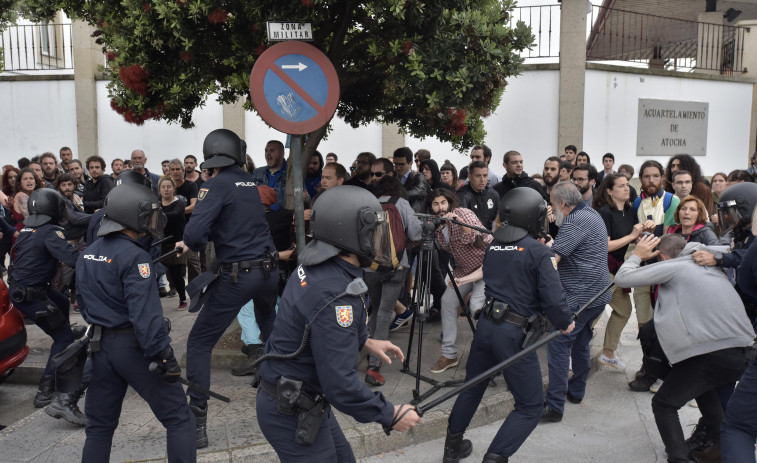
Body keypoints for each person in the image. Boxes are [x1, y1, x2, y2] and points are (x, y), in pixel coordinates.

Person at [256, 185, 421, 461]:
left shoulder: (318, 263)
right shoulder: (335, 293)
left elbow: (316, 324)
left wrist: (365, 340)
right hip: (291, 409)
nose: (378, 239)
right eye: (372, 231)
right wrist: (390, 414)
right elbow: (340, 385)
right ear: (350, 233)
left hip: (300, 399)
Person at [442, 187, 575, 463]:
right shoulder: (538, 252)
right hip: (513, 334)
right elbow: (553, 297)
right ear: (531, 216)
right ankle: (496, 457)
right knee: (529, 406)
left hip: (487, 327)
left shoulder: (494, 246)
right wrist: (565, 323)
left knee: (472, 386)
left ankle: (452, 447)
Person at [77, 183, 196, 462]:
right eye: (147, 214)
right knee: (179, 418)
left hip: (99, 347)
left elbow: (84, 304)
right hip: (133, 347)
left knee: (99, 428)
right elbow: (145, 315)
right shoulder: (136, 257)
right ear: (131, 215)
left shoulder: (88, 253)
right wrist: (164, 354)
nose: (151, 220)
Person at [176, 129, 278, 449]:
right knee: (271, 331)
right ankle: (284, 392)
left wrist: (187, 242)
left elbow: (194, 233)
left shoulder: (215, 185)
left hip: (240, 274)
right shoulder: (251, 183)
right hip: (269, 271)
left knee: (198, 343)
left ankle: (196, 422)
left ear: (212, 157)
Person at [614, 234, 754, 463]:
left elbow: (622, 278)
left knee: (663, 404)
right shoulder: (708, 263)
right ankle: (722, 447)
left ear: (662, 256)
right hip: (744, 351)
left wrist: (637, 255)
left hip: (713, 352)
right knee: (703, 388)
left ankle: (678, 459)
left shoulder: (675, 266)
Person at [541, 181, 612, 423]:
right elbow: (572, 248)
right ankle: (577, 391)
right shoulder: (591, 213)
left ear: (562, 203)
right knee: (581, 343)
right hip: (598, 296)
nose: (552, 208)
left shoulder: (574, 221)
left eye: (552, 204)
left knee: (559, 346)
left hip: (579, 299)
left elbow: (554, 259)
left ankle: (554, 406)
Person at [8, 189, 82, 414]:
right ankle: (46, 389)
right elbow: (71, 258)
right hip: (32, 296)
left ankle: (63, 324)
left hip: (26, 289)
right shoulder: (50, 232)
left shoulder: (30, 229)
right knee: (63, 338)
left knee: (60, 301)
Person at [364, 176, 422, 385]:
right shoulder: (401, 203)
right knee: (385, 312)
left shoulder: (367, 203)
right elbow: (416, 231)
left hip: (370, 267)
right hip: (397, 265)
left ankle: (370, 353)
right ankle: (373, 366)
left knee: (375, 310)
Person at [428, 188, 493, 373]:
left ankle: (485, 354)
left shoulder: (462, 213)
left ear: (449, 202)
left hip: (486, 267)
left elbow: (475, 238)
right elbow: (451, 250)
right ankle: (449, 355)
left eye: (443, 203)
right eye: (435, 204)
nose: (440, 207)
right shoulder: (439, 226)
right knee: (447, 301)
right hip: (464, 270)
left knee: (476, 307)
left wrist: (459, 222)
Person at [593, 173, 647, 372]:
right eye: (622, 186)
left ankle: (608, 353)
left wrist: (641, 235)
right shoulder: (604, 212)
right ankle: (574, 348)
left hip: (619, 268)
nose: (627, 188)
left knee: (623, 311)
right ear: (609, 190)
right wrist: (633, 235)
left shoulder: (631, 210)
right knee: (593, 311)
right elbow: (605, 245)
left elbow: (632, 238)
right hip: (603, 268)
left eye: (627, 185)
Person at [158, 177, 188, 310]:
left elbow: (175, 214)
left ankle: (182, 299)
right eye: (163, 187)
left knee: (176, 274)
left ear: (173, 188)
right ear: (159, 190)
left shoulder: (179, 202)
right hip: (160, 242)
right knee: (158, 272)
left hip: (177, 242)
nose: (166, 189)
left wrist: (158, 215)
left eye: (168, 187)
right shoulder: (157, 204)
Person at [456, 161, 500, 230]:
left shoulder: (494, 194)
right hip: (471, 237)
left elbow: (498, 219)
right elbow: (461, 223)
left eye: (485, 175)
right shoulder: (462, 195)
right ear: (469, 176)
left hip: (491, 237)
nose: (482, 180)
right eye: (478, 176)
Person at [251, 140, 288, 210]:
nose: (268, 154)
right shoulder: (257, 172)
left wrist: (305, 198)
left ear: (282, 153)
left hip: (283, 219)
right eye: (266, 151)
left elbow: (306, 199)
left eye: (272, 150)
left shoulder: (291, 174)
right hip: (261, 217)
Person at [12, 167, 43, 243]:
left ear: (35, 182)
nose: (29, 180)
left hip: (33, 234)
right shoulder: (21, 196)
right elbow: (30, 219)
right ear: (20, 183)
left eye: (31, 178)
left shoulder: (35, 196)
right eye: (25, 179)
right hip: (23, 235)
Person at [392, 147, 429, 212]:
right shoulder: (392, 178)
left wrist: (395, 196)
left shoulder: (418, 177)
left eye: (401, 164)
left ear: (411, 163)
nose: (398, 168)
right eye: (396, 164)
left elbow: (419, 191)